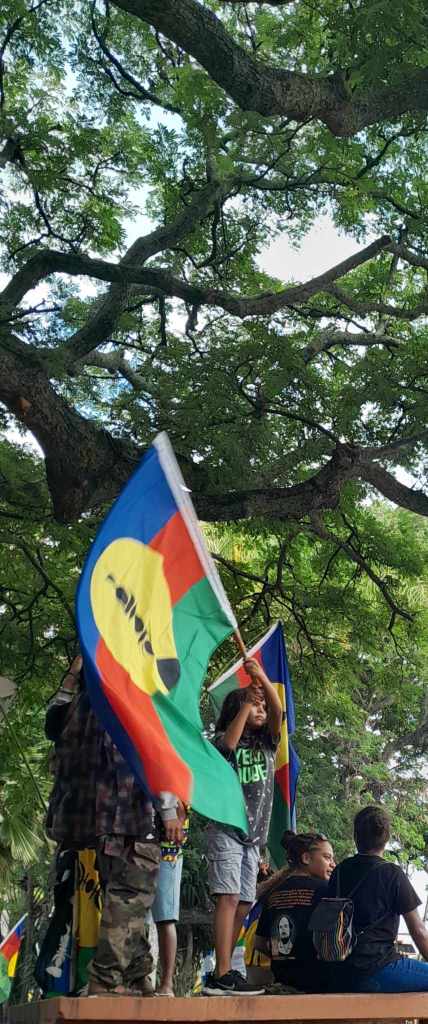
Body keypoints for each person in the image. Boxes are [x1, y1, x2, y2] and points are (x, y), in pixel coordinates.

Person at [45, 654, 183, 998]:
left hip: (97, 818)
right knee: (131, 895)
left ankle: (137, 973)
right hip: (133, 812)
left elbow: (53, 724)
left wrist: (73, 675)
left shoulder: (85, 699)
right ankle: (104, 981)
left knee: (122, 895)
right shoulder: (130, 696)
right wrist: (168, 810)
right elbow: (154, 752)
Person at [203, 658, 283, 996]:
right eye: (254, 706)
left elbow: (278, 711)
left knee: (245, 903)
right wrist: (248, 702)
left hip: (253, 839)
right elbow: (228, 746)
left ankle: (222, 970)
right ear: (238, 709)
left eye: (261, 706)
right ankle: (222, 970)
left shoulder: (268, 743)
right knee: (229, 896)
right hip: (226, 830)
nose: (261, 710)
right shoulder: (222, 741)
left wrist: (261, 678)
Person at [327, 805, 428, 993]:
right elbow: (419, 932)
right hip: (377, 969)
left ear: (356, 836)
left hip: (340, 972)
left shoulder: (339, 871)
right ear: (386, 837)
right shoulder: (392, 873)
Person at [255, 831, 335, 992]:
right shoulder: (327, 889)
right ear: (306, 858)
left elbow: (259, 943)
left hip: (283, 982)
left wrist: (285, 956)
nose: (333, 864)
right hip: (319, 984)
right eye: (327, 857)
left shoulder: (273, 891)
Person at [151, 803, 189, 996]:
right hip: (140, 841)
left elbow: (181, 810)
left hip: (166, 848)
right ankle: (140, 979)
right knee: (134, 916)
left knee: (166, 918)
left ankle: (167, 983)